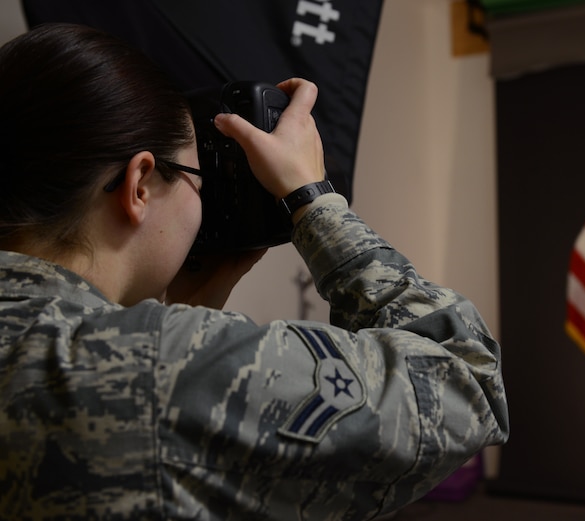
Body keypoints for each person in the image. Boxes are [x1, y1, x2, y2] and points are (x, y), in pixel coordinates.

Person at [0, 23, 509, 520]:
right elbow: (467, 383)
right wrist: (313, 199)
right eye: (196, 177)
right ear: (140, 186)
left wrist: (188, 311)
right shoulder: (165, 363)